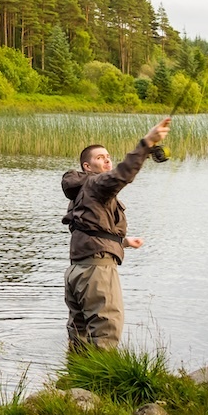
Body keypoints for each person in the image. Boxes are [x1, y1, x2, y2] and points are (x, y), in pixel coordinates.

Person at [61, 117, 171, 351]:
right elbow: (122, 174)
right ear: (87, 167)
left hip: (77, 271)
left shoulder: (80, 192)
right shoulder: (96, 185)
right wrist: (147, 143)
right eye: (100, 157)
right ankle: (104, 386)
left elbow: (89, 227)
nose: (107, 159)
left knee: (79, 337)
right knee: (105, 334)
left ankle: (73, 386)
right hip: (97, 271)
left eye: (108, 155)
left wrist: (123, 242)